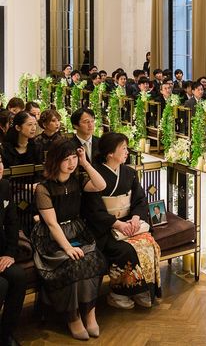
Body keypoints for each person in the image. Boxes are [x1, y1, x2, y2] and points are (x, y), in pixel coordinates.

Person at [31, 139, 107, 340]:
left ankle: (90, 314)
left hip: (77, 231)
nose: (71, 163)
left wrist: (85, 163)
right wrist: (67, 248)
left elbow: (101, 185)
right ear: (55, 160)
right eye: (66, 159)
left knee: (91, 259)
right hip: (51, 238)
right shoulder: (43, 188)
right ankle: (73, 317)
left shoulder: (78, 179)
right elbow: (52, 224)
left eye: (74, 157)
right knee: (72, 264)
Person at [83, 132, 161, 310]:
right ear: (110, 153)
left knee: (149, 244)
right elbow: (93, 210)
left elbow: (140, 199)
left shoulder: (129, 173)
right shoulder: (95, 175)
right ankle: (118, 293)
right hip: (106, 227)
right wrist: (117, 224)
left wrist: (136, 218)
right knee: (125, 250)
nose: (127, 152)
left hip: (129, 223)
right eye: (123, 148)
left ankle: (141, 290)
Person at [0, 152, 26, 346]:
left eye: (0, 161)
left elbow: (12, 222)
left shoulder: (4, 186)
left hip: (1, 252)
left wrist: (9, 253)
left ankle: (6, 333)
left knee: (18, 276)